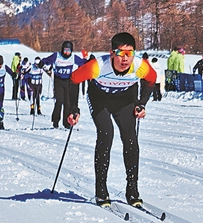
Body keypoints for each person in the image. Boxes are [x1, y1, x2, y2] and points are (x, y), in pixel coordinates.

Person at [67, 32, 157, 208]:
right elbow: (73, 79)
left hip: (125, 100)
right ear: (111, 53)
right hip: (100, 99)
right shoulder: (98, 66)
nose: (125, 59)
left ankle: (132, 190)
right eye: (120, 53)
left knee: (130, 139)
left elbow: (151, 81)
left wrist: (141, 103)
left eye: (130, 53)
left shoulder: (140, 65)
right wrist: (73, 109)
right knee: (106, 134)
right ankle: (101, 190)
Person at [40, 40, 86, 129]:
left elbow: (82, 62)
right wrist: (42, 62)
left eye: (68, 51)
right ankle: (55, 121)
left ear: (71, 51)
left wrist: (89, 60)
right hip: (58, 80)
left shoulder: (73, 57)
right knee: (59, 101)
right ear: (62, 50)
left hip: (68, 81)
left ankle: (67, 122)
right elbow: (47, 60)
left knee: (67, 102)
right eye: (65, 50)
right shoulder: (56, 56)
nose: (66, 53)